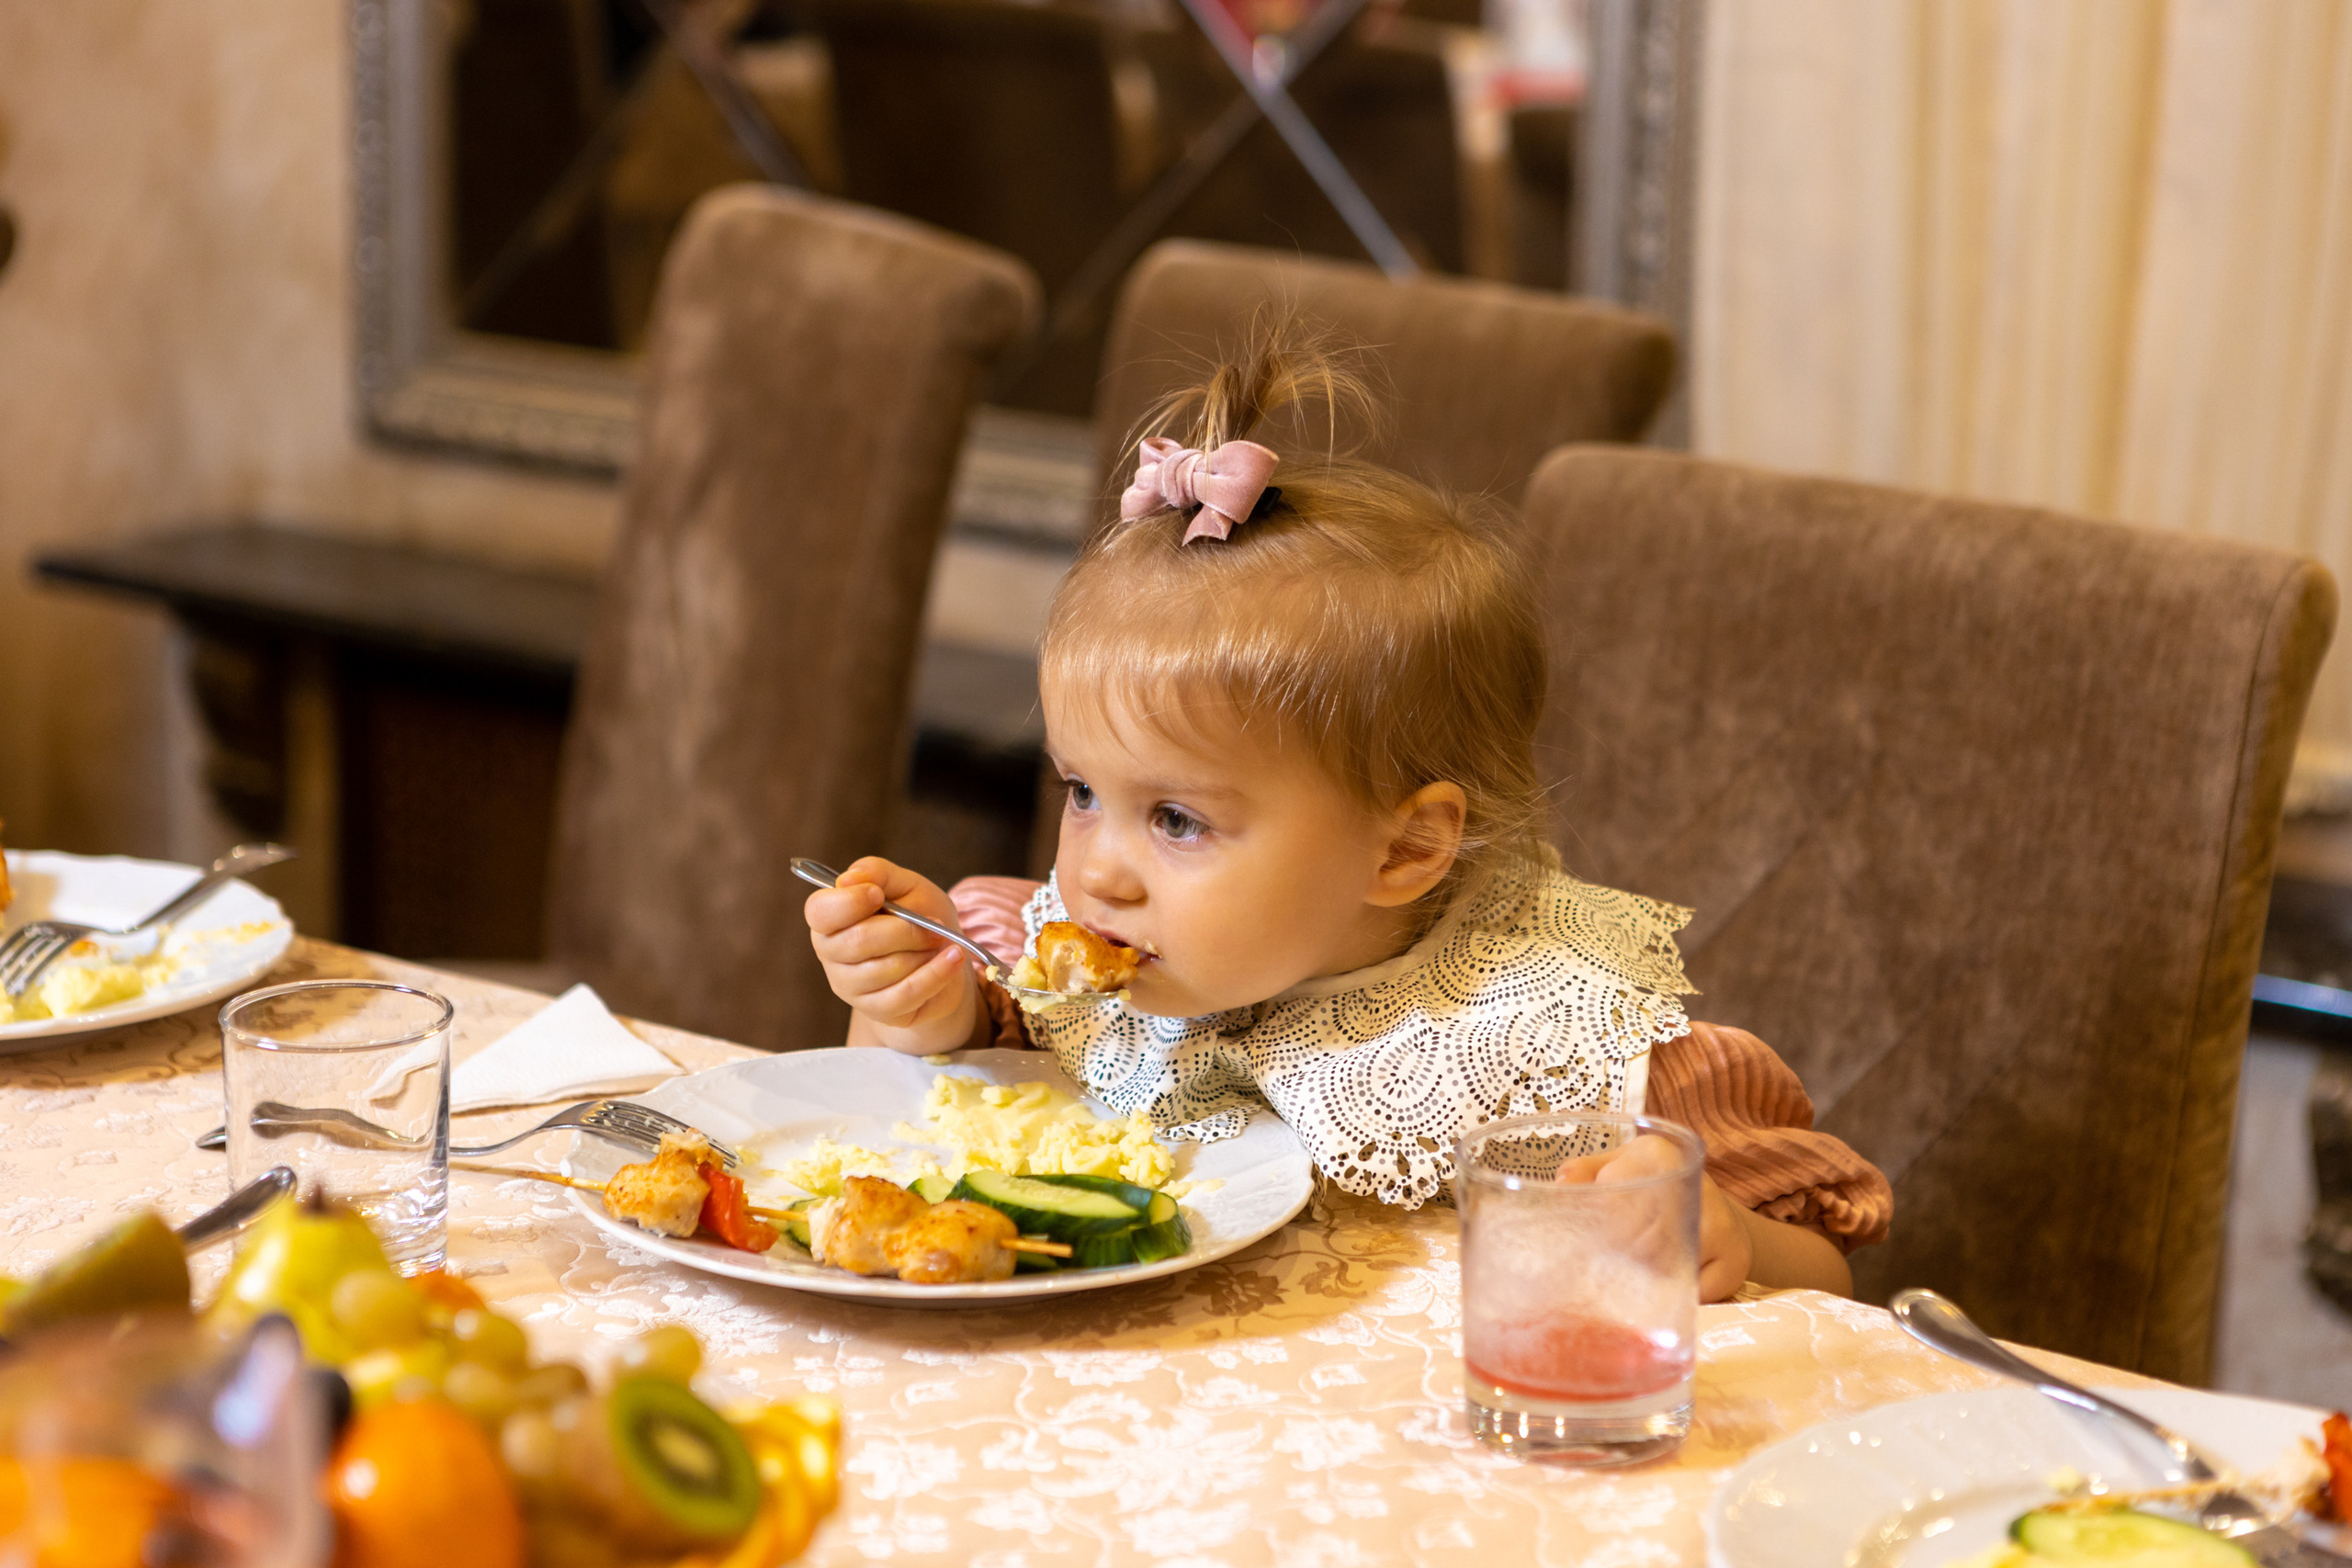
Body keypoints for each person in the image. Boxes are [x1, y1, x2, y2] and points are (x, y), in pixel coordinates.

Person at [804, 333, 1889, 1302]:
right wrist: (919, 1008)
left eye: (1177, 820)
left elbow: (1826, 1272)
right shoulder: (1050, 980)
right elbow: (918, 1122)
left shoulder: (1554, 1048)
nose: (1098, 876)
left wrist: (1718, 1231)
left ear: (1407, 847)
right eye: (1082, 794)